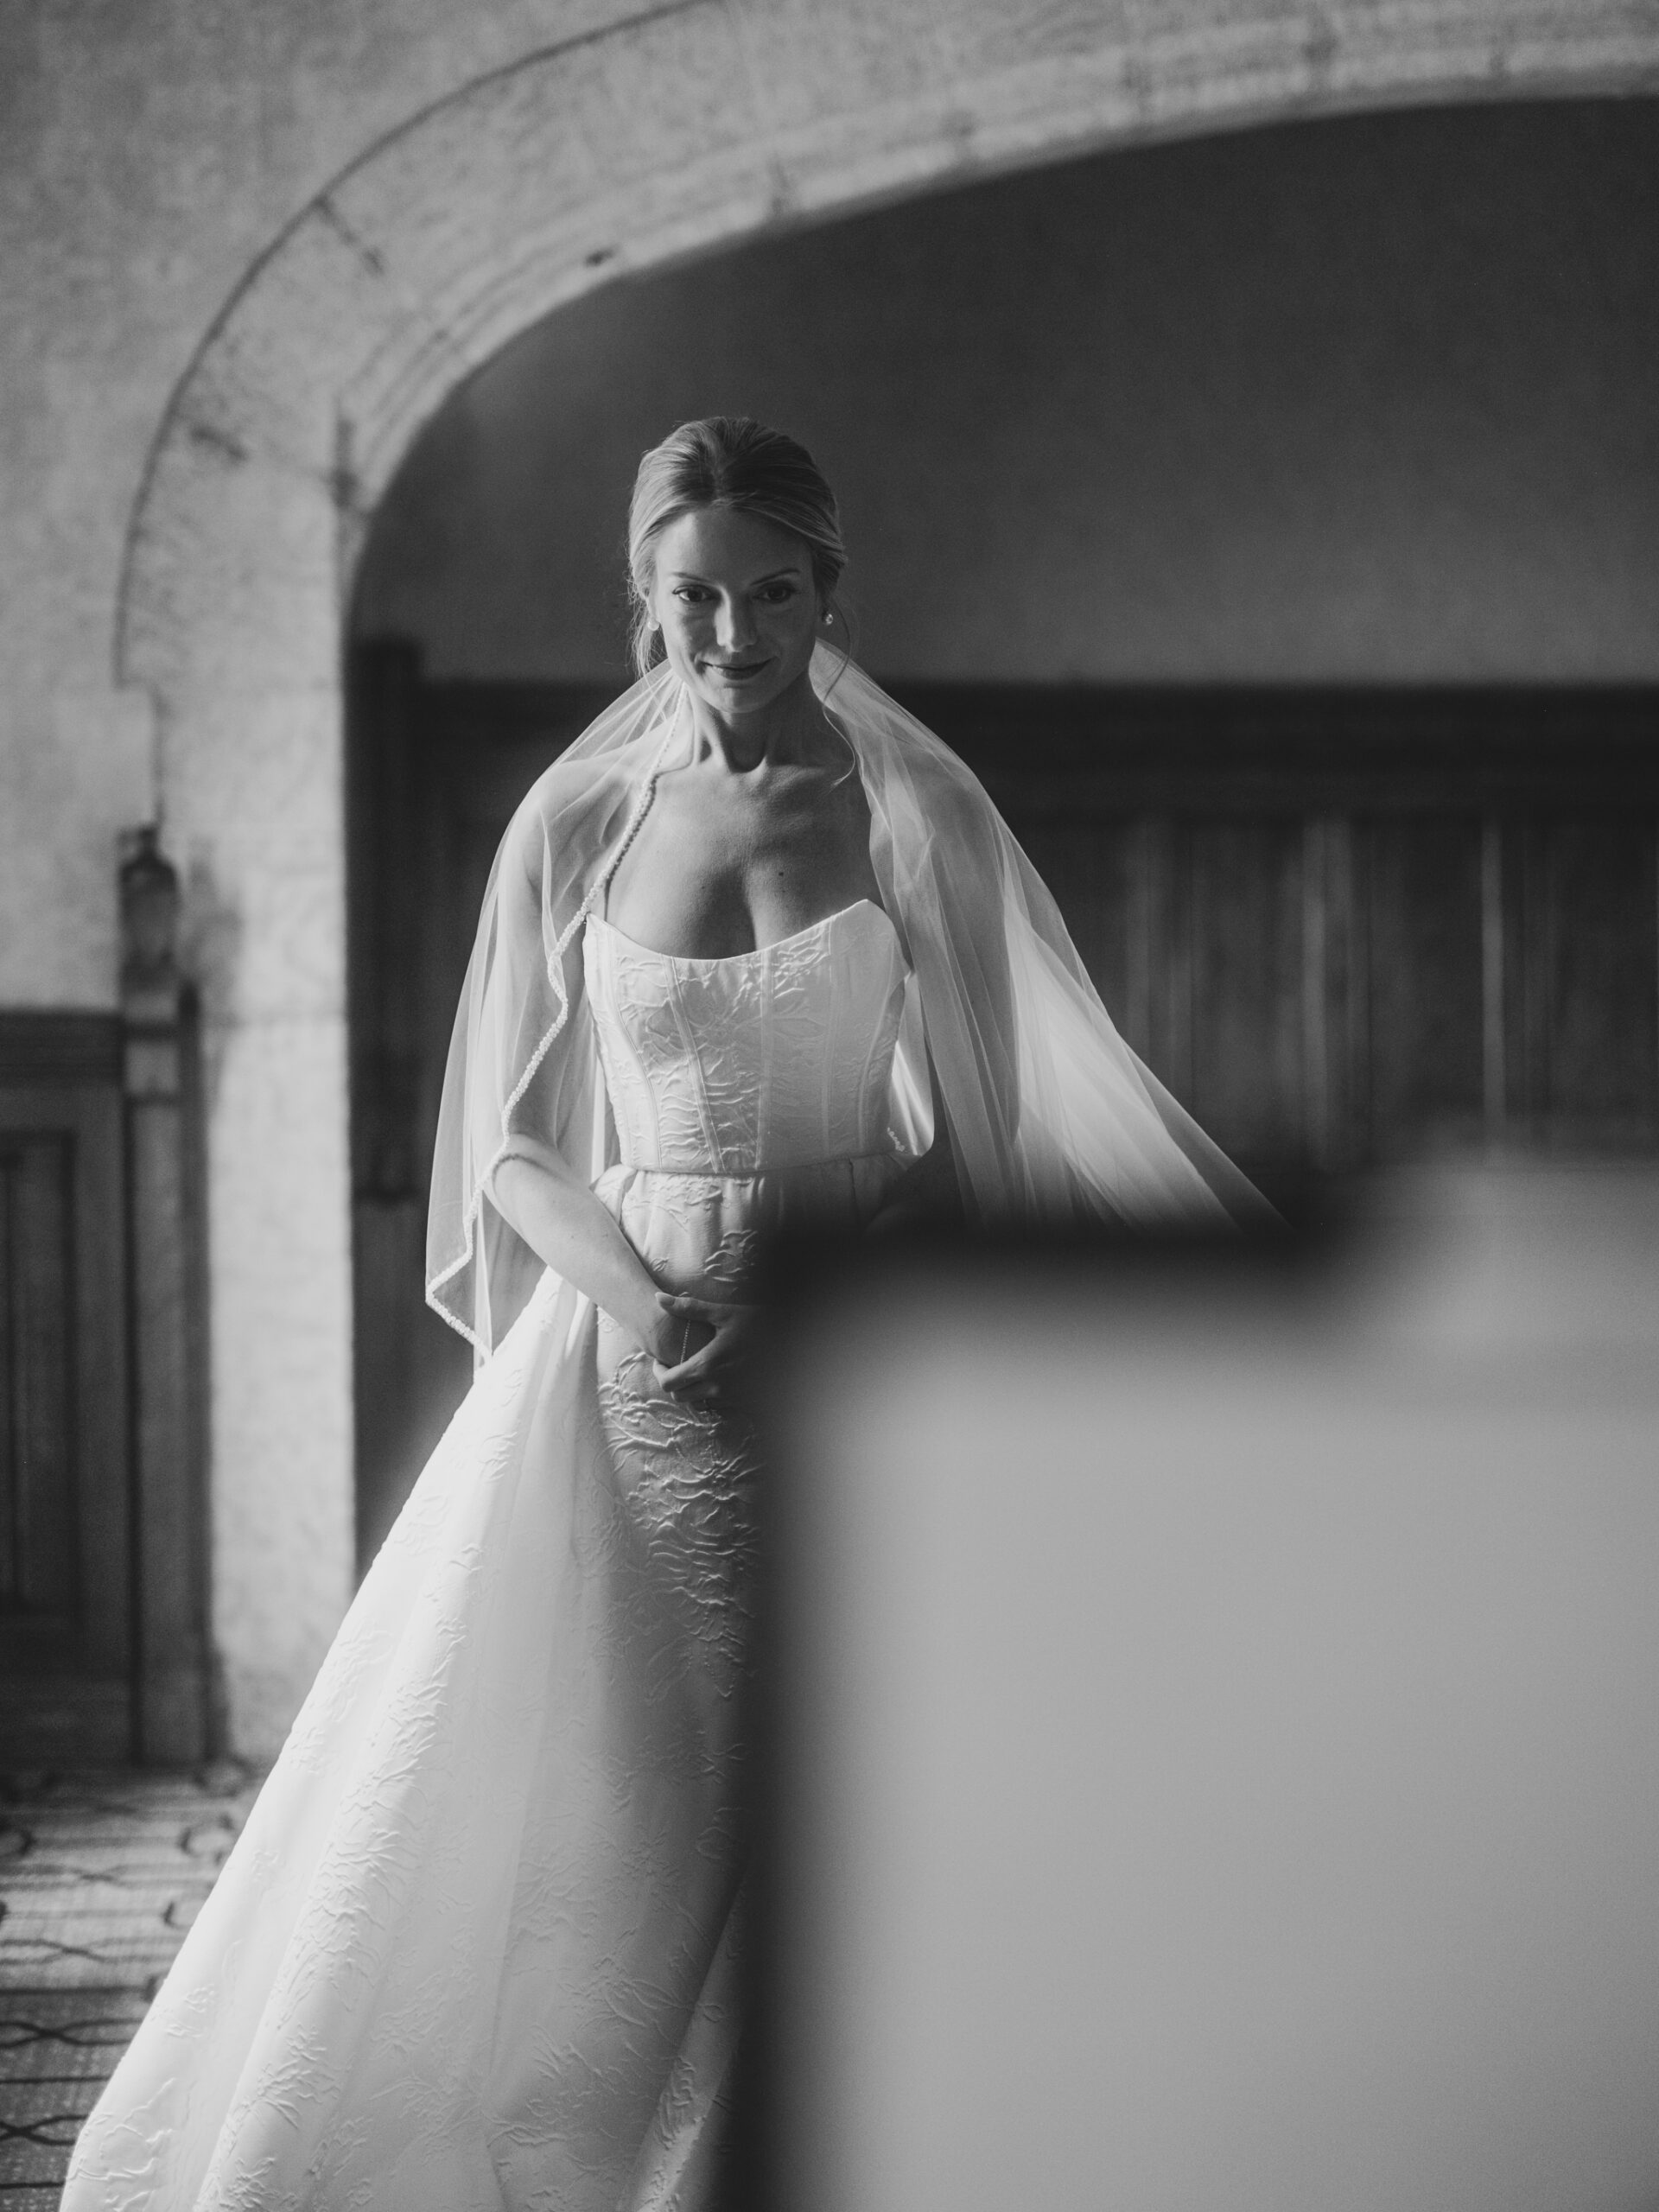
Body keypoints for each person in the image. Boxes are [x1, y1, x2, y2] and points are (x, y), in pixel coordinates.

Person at [63, 418, 1265, 2211]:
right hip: (631, 1355)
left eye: (770, 593)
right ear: (645, 600)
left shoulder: (908, 810)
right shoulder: (574, 821)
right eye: (694, 595)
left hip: (856, 1347)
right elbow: (514, 1150)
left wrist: (828, 1308)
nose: (732, 633)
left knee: (832, 1762)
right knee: (626, 1778)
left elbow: (980, 1137)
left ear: (827, 594)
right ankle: (580, 2142)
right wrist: (645, 1300)